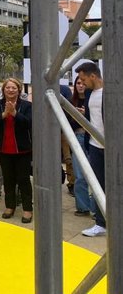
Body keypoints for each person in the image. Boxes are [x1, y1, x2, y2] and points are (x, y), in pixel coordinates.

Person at [0, 78, 33, 223]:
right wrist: (4, 114)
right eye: (8, 88)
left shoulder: (26, 105)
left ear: (19, 90)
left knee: (23, 179)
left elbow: (29, 123)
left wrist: (14, 113)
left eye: (14, 88)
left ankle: (27, 209)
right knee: (8, 179)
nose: (11, 90)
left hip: (22, 149)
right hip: (4, 148)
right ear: (4, 90)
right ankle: (10, 206)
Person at [75, 62, 106, 237]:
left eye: (83, 78)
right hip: (94, 146)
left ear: (93, 76)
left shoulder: (111, 92)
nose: (81, 82)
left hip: (112, 147)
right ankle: (101, 223)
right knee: (98, 186)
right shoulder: (88, 94)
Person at [68, 76, 91, 216]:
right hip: (78, 137)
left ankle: (97, 208)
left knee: (95, 175)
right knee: (80, 175)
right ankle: (83, 207)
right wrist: (78, 117)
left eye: (83, 83)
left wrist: (85, 116)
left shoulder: (93, 100)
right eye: (78, 83)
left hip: (92, 138)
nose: (80, 85)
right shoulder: (71, 102)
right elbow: (69, 124)